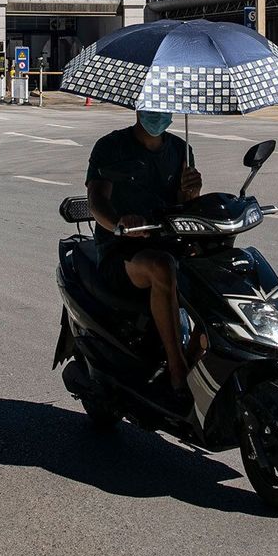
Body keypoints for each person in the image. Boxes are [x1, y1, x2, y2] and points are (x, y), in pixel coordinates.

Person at [85, 110, 203, 398]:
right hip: (122, 251)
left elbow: (183, 207)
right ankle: (176, 369)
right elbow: (96, 200)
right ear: (139, 109)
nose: (159, 115)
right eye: (153, 107)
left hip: (168, 243)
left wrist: (192, 192)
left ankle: (199, 354)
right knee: (162, 267)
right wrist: (119, 224)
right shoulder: (111, 147)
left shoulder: (181, 149)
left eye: (165, 108)